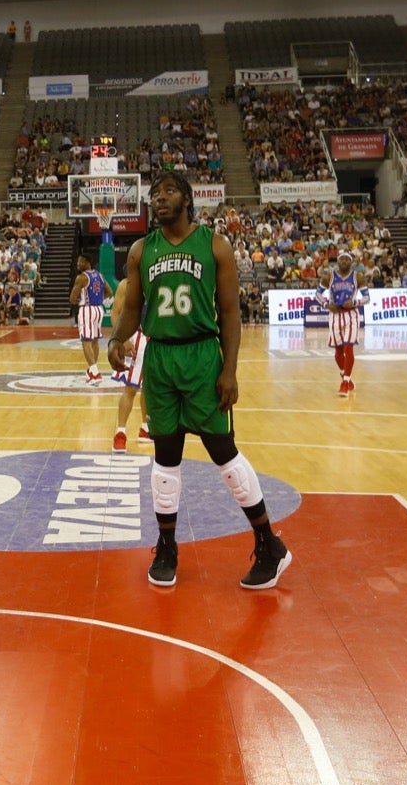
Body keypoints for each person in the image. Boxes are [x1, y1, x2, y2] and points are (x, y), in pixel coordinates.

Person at [107, 171, 292, 589]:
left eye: (169, 191)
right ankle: (167, 547)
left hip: (203, 356)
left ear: (188, 199)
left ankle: (269, 544)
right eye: (154, 194)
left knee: (223, 453)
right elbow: (134, 306)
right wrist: (118, 336)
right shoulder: (141, 250)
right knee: (165, 456)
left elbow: (230, 312)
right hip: (161, 360)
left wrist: (230, 370)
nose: (159, 199)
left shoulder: (214, 244)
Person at [109, 289, 151, 453]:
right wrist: (121, 338)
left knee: (149, 388)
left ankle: (146, 428)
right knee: (131, 388)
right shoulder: (127, 284)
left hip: (155, 337)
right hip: (137, 337)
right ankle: (120, 433)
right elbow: (115, 313)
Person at [320, 252, 364, 396]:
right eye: (341, 258)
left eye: (347, 259)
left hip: (351, 315)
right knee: (338, 352)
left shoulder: (357, 276)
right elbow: (317, 294)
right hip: (335, 315)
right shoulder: (329, 276)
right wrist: (326, 304)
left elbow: (368, 297)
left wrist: (355, 302)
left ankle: (345, 383)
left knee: (348, 348)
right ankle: (347, 377)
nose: (344, 261)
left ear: (351, 262)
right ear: (337, 261)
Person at [70, 254, 109, 385]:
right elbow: (109, 292)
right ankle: (93, 370)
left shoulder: (81, 278)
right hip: (99, 309)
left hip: (87, 310)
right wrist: (98, 300)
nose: (78, 263)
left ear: (87, 262)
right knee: (95, 341)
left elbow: (72, 298)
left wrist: (78, 300)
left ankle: (95, 373)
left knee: (86, 341)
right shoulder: (100, 275)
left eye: (80, 261)